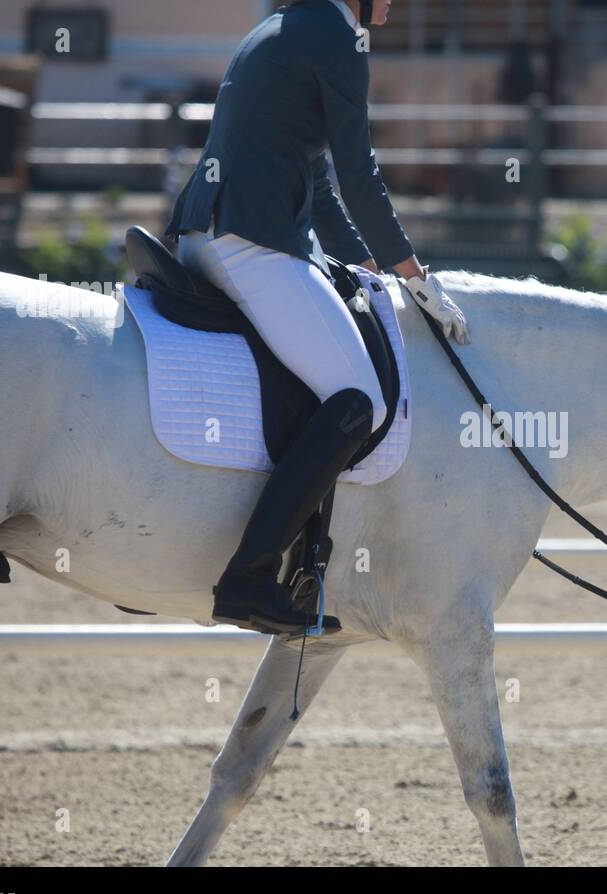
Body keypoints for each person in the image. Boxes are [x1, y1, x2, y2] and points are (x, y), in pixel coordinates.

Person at [166, 0, 469, 634]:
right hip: (251, 244)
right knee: (360, 398)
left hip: (206, 228)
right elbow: (361, 175)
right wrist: (414, 276)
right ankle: (249, 577)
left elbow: (322, 185)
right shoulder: (339, 35)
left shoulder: (279, 24)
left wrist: (372, 267)